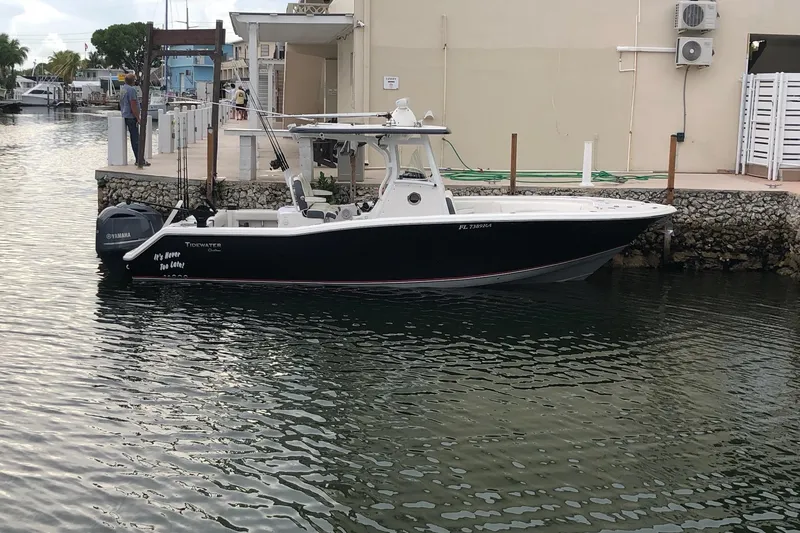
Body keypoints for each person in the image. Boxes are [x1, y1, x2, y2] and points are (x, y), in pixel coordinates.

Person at [120, 73, 150, 167]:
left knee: (134, 138)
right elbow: (133, 104)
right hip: (131, 117)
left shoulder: (123, 89)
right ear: (133, 81)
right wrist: (138, 117)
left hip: (125, 114)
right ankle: (139, 160)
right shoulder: (132, 90)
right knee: (136, 139)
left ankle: (139, 159)